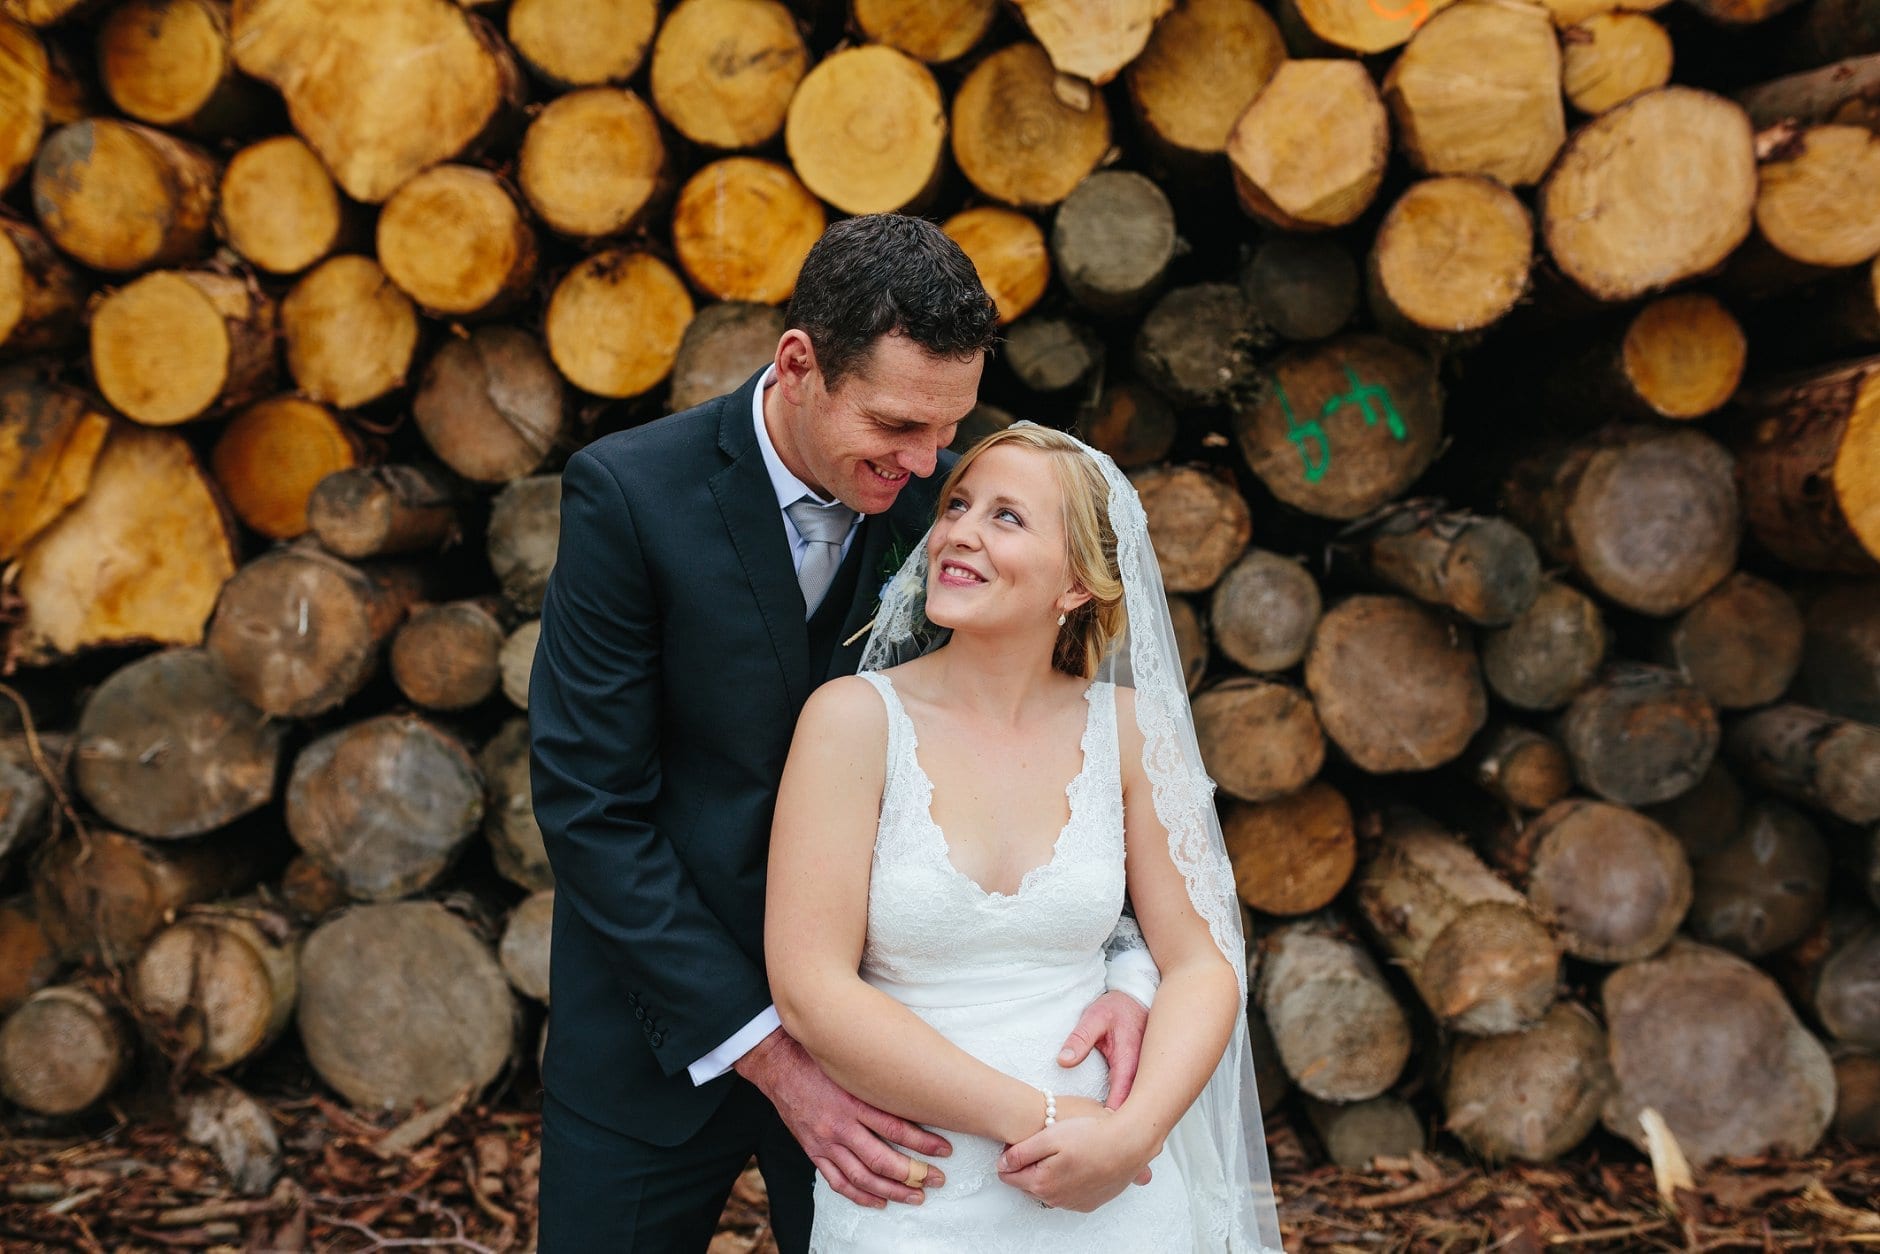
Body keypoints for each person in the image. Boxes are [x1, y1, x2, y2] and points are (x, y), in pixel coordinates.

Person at [528, 215, 1161, 1252]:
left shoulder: (950, 516)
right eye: (896, 424)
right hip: (658, 1039)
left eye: (946, 428)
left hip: (900, 1062)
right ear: (798, 365)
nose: (926, 462)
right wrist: (777, 1056)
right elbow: (590, 807)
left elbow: (1052, 757)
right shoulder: (630, 496)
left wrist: (1128, 972)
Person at [766, 424, 1288, 1252]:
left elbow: (1203, 962)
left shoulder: (1130, 732)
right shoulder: (853, 721)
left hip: (1115, 1196)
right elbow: (810, 989)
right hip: (915, 1195)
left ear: (1077, 583)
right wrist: (1039, 1119)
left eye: (1006, 517)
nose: (959, 533)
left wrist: (1133, 1136)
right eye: (958, 506)